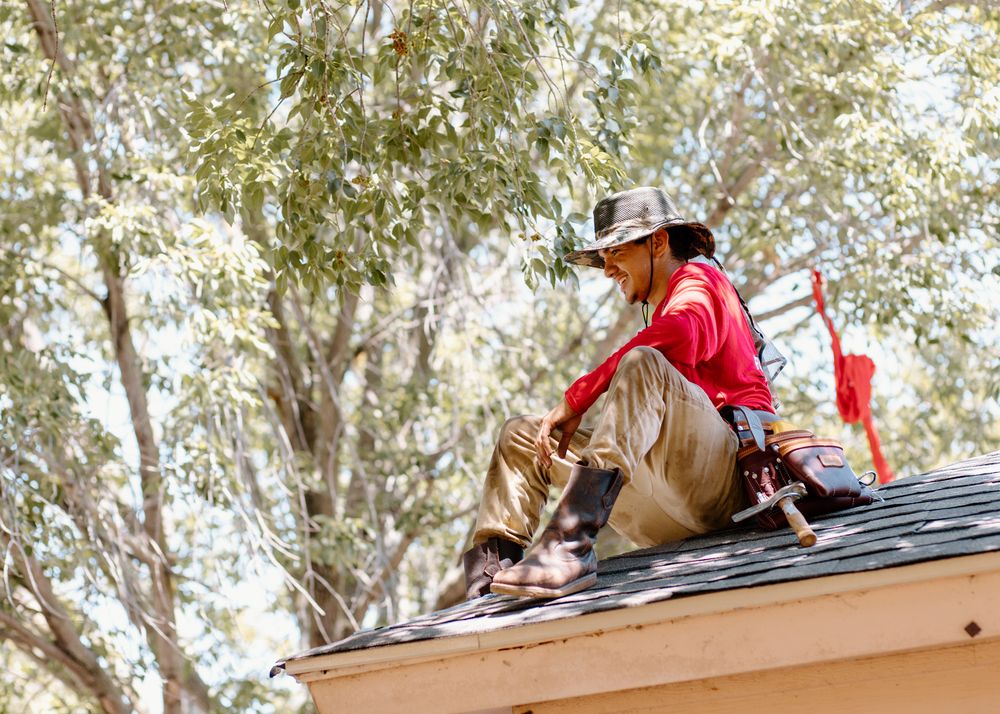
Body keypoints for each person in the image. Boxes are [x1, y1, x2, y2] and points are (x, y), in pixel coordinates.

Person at [462, 186, 778, 600]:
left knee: (642, 362)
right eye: (604, 258)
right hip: (665, 498)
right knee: (522, 435)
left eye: (616, 252)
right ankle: (491, 578)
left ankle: (568, 546)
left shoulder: (701, 280)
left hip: (726, 488)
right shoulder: (666, 306)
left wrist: (580, 395)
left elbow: (682, 334)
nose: (608, 270)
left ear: (658, 242)